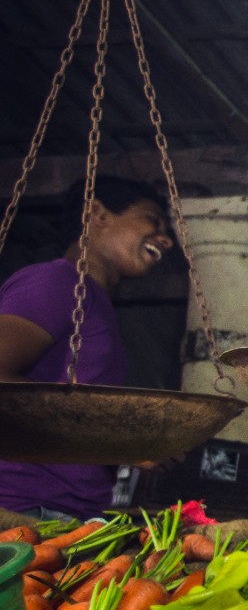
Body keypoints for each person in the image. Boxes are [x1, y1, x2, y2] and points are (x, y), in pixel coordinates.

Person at [0, 176, 175, 518]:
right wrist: (115, 439)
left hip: (63, 514)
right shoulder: (58, 282)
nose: (166, 239)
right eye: (152, 219)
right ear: (97, 213)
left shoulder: (96, 304)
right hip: (21, 510)